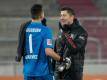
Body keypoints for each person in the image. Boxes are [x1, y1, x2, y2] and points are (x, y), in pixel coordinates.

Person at [15, 4, 64, 80]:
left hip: (28, 72)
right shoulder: (46, 30)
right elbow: (48, 51)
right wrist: (61, 59)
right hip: (43, 73)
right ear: (42, 15)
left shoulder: (24, 28)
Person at [54, 7, 88, 80]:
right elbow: (57, 50)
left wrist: (65, 34)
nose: (61, 18)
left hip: (73, 71)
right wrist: (53, 67)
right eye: (61, 15)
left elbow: (75, 48)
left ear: (72, 17)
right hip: (59, 70)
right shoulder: (61, 31)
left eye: (64, 15)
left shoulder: (81, 32)